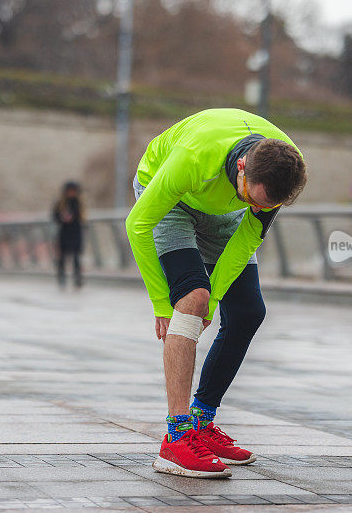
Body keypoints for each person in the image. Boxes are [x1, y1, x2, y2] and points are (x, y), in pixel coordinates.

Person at [125, 108, 307, 479]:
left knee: (247, 313)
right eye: (253, 198)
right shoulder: (193, 159)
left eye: (266, 206)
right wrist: (162, 302)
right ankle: (176, 438)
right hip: (172, 199)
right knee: (192, 300)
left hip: (223, 207)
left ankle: (203, 423)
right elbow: (138, 224)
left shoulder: (283, 172)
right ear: (242, 166)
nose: (259, 209)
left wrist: (218, 298)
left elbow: (245, 239)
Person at [53, 181, 85, 290]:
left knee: (76, 257)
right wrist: (62, 218)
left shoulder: (79, 204)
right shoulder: (61, 204)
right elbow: (54, 217)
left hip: (76, 233)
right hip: (64, 234)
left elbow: (82, 218)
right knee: (62, 258)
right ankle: (61, 278)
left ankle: (78, 279)